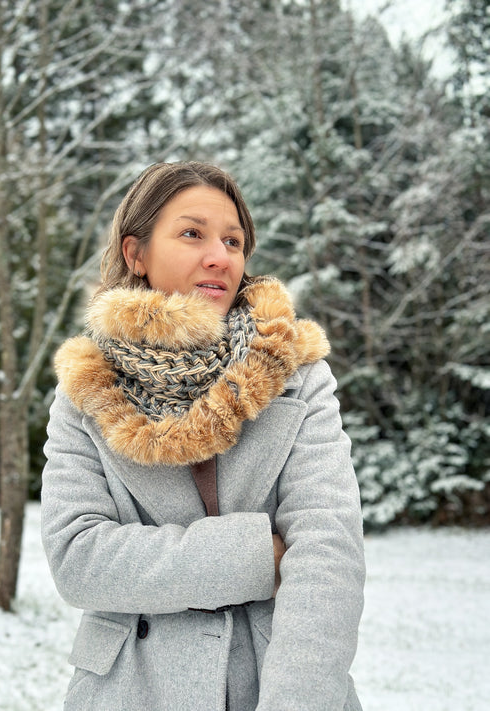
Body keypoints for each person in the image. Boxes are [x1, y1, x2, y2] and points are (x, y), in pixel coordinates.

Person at [41, 161, 365, 711]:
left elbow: (328, 552)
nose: (220, 255)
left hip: (276, 678)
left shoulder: (295, 373)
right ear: (135, 253)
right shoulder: (86, 389)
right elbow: (79, 558)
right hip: (129, 689)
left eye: (233, 240)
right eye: (192, 233)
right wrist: (258, 555)